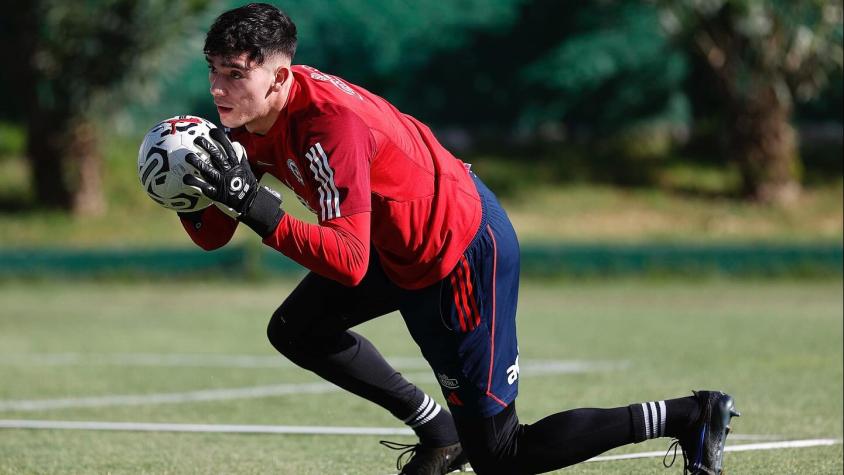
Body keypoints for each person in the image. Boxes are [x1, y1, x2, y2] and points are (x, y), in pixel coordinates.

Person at [177, 3, 740, 474]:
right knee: (296, 329)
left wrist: (255, 206)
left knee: (500, 456)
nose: (217, 87)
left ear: (279, 76)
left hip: (458, 250)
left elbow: (347, 261)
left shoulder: (331, 126)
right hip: (393, 246)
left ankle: (690, 414)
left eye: (233, 73)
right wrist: (180, 189)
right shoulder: (248, 117)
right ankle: (437, 431)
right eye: (213, 71)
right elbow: (212, 235)